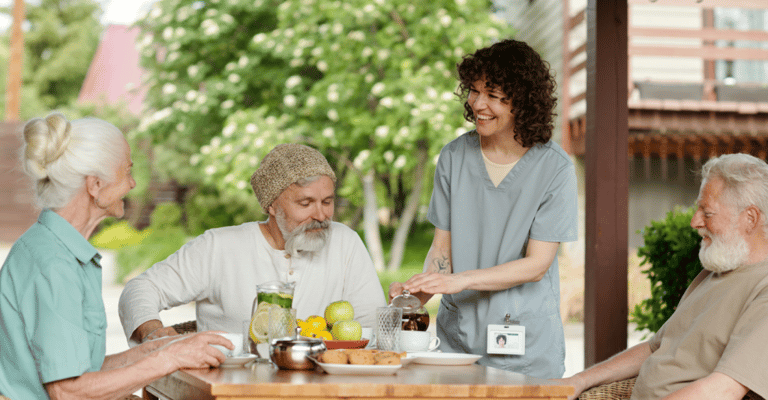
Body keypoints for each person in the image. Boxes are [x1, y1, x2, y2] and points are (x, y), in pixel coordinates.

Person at [0, 114, 234, 400]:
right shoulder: (53, 264)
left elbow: (81, 371)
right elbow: (68, 391)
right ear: (95, 185)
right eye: (127, 171)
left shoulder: (58, 251)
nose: (133, 183)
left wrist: (154, 350)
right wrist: (167, 359)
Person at [389, 39, 578, 379]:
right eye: (474, 91)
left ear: (522, 99)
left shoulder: (555, 168)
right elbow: (441, 251)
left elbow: (537, 265)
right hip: (458, 343)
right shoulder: (453, 157)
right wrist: (414, 295)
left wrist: (460, 281)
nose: (478, 104)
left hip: (526, 347)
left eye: (492, 95)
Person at [119, 143, 386, 344]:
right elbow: (141, 289)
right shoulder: (220, 246)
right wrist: (152, 331)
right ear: (270, 204)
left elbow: (370, 327)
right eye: (305, 203)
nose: (321, 215)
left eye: (327, 202)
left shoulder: (345, 242)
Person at [555, 153, 768, 400]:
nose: (694, 221)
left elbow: (725, 389)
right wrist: (577, 381)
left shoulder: (763, 288)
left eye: (707, 213)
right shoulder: (714, 272)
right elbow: (655, 347)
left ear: (750, 218)